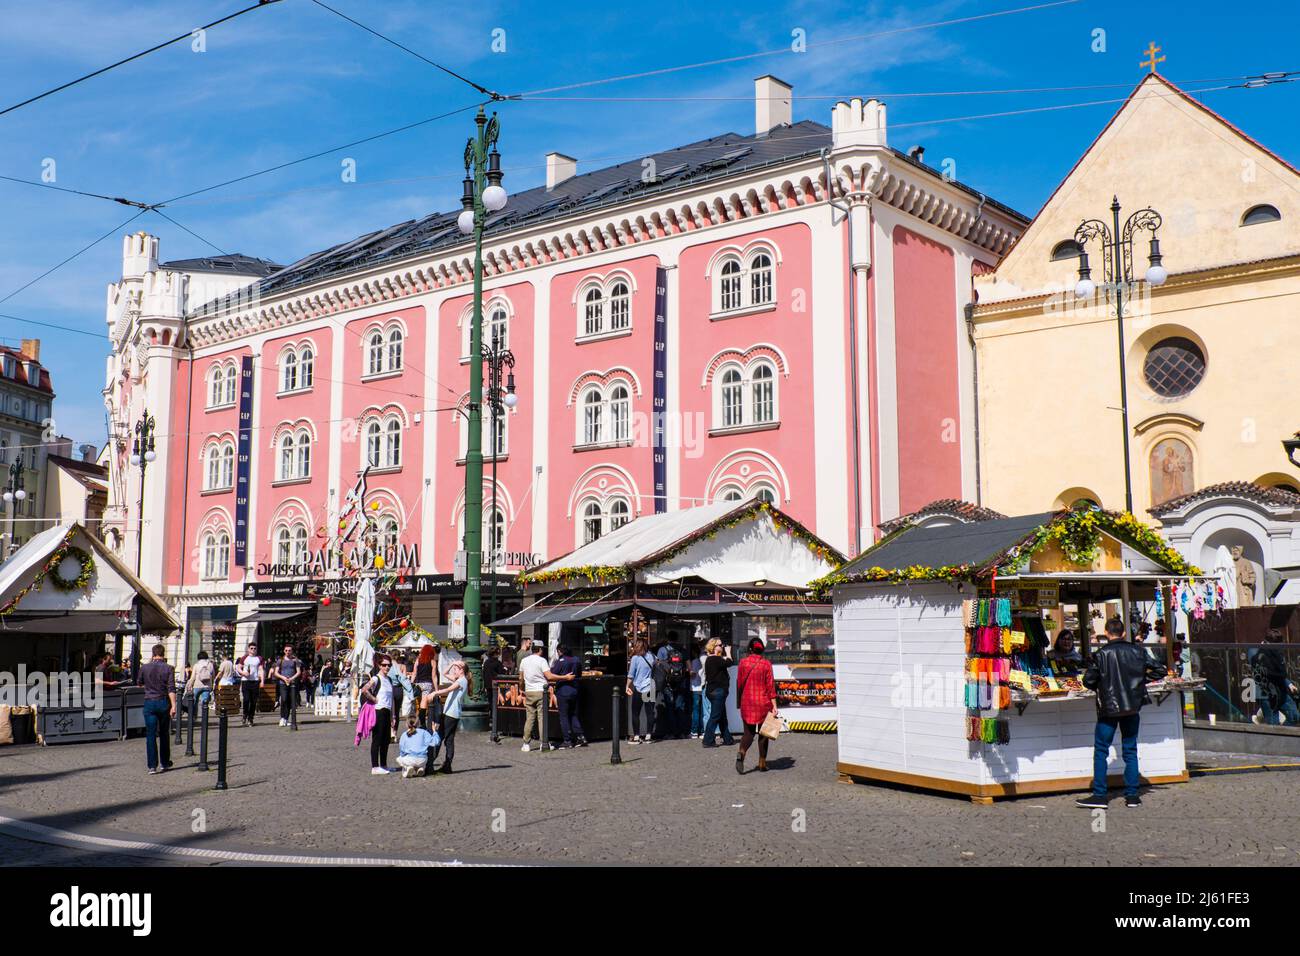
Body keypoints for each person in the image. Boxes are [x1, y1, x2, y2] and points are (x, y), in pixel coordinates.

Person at [1077, 616, 1165, 809]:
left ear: (1107, 633)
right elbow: (1160, 670)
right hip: (1132, 707)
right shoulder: (1138, 651)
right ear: (1124, 633)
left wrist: (1104, 683)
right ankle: (1132, 796)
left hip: (1109, 708)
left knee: (1101, 750)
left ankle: (1100, 796)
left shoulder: (1100, 654)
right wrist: (1141, 681)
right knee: (1130, 750)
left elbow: (1088, 681)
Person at [518, 642, 572, 751]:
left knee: (530, 718)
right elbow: (549, 676)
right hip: (541, 691)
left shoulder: (524, 661)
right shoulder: (542, 661)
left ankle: (526, 744)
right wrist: (565, 677)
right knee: (542, 717)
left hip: (529, 691)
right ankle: (544, 743)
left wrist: (522, 688)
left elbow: (521, 678)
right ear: (540, 650)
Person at [735, 638, 776, 773]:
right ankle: (762, 763)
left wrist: (739, 700)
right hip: (763, 703)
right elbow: (770, 687)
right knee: (764, 734)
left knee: (748, 733)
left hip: (747, 702)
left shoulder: (743, 663)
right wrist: (774, 705)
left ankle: (742, 752)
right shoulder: (766, 664)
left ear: (750, 649)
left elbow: (739, 683)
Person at [425, 660, 470, 772]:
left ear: (461, 670)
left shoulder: (462, 681)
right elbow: (444, 673)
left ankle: (430, 762)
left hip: (451, 714)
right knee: (449, 739)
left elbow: (448, 689)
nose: (454, 670)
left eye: (456, 668)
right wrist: (452, 664)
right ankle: (447, 765)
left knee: (440, 736)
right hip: (451, 713)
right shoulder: (459, 679)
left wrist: (435, 693)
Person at [139, 644, 176, 774]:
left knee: (150, 734)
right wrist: (174, 705)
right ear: (163, 653)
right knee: (164, 733)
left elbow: (139, 682)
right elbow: (171, 688)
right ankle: (164, 763)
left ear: (153, 654)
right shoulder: (169, 668)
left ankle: (152, 766)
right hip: (163, 702)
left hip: (149, 702)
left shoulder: (144, 667)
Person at [1250, 629, 1300, 726]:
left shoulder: (1276, 652)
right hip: (1267, 695)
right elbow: (1266, 674)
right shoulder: (1256, 652)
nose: (1279, 648)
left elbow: (1279, 672)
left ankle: (1283, 735)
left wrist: (1289, 684)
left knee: (1295, 717)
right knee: (1274, 726)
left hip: (1281, 693)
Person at [360, 655, 396, 774]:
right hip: (378, 711)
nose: (387, 667)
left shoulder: (389, 680)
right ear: (379, 665)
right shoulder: (376, 678)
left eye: (389, 665)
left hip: (387, 711)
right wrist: (374, 699)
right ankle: (375, 766)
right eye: (384, 665)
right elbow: (364, 689)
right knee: (378, 739)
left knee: (386, 740)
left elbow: (392, 699)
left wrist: (393, 715)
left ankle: (384, 765)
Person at [654, 631, 691, 739]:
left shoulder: (662, 650)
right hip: (681, 682)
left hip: (667, 683)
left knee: (669, 707)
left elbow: (658, 664)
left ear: (667, 638)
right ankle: (682, 732)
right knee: (680, 707)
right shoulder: (682, 650)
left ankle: (671, 733)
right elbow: (689, 667)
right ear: (677, 638)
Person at [550, 644, 587, 748]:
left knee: (564, 716)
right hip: (574, 690)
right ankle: (581, 737)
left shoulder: (560, 662)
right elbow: (579, 674)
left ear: (560, 651)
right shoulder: (576, 660)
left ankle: (567, 740)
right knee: (573, 714)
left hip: (563, 691)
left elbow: (552, 675)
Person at [701, 638, 735, 747]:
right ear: (713, 647)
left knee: (722, 716)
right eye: (720, 645)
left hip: (714, 691)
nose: (722, 647)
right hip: (718, 692)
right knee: (715, 716)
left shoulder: (711, 659)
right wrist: (729, 652)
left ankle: (727, 739)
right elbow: (729, 663)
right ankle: (708, 740)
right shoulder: (715, 659)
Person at [625, 638, 657, 744]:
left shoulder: (635, 658)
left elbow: (631, 675)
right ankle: (648, 736)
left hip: (639, 688)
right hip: (650, 687)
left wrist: (627, 686)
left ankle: (637, 736)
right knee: (650, 712)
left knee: (635, 713)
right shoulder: (652, 656)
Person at [272, 644, 301, 727]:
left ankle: (286, 718)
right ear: (284, 651)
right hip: (282, 683)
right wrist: (283, 678)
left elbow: (298, 672)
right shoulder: (280, 660)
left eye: (289, 650)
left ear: (292, 651)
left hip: (292, 683)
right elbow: (276, 672)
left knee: (290, 701)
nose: (288, 652)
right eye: (286, 650)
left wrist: (291, 678)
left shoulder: (295, 660)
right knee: (284, 699)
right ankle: (282, 717)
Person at [237, 643, 264, 726]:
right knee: (246, 699)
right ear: (248, 649)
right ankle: (245, 715)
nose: (253, 650)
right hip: (245, 681)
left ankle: (251, 718)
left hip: (255, 681)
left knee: (253, 701)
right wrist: (243, 673)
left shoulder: (259, 658)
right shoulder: (244, 657)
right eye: (251, 648)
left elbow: (261, 670)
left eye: (254, 648)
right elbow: (238, 667)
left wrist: (262, 681)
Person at [413, 644, 437, 729]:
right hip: (427, 684)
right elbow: (434, 676)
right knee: (423, 705)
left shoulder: (418, 660)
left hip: (418, 684)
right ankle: (423, 724)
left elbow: (414, 673)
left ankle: (415, 723)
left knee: (418, 704)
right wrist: (436, 689)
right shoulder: (432, 661)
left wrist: (411, 683)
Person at [185, 650, 215, 714]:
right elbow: (213, 675)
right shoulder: (210, 665)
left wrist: (189, 685)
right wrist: (212, 685)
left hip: (197, 685)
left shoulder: (196, 665)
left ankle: (194, 716)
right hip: (207, 686)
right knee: (205, 702)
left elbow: (193, 677)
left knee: (194, 701)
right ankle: (204, 718)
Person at [689, 641, 706, 739]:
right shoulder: (703, 660)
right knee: (703, 710)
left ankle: (694, 731)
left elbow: (693, 674)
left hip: (695, 687)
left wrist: (689, 672)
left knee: (695, 710)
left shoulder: (695, 661)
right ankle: (703, 730)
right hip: (702, 687)